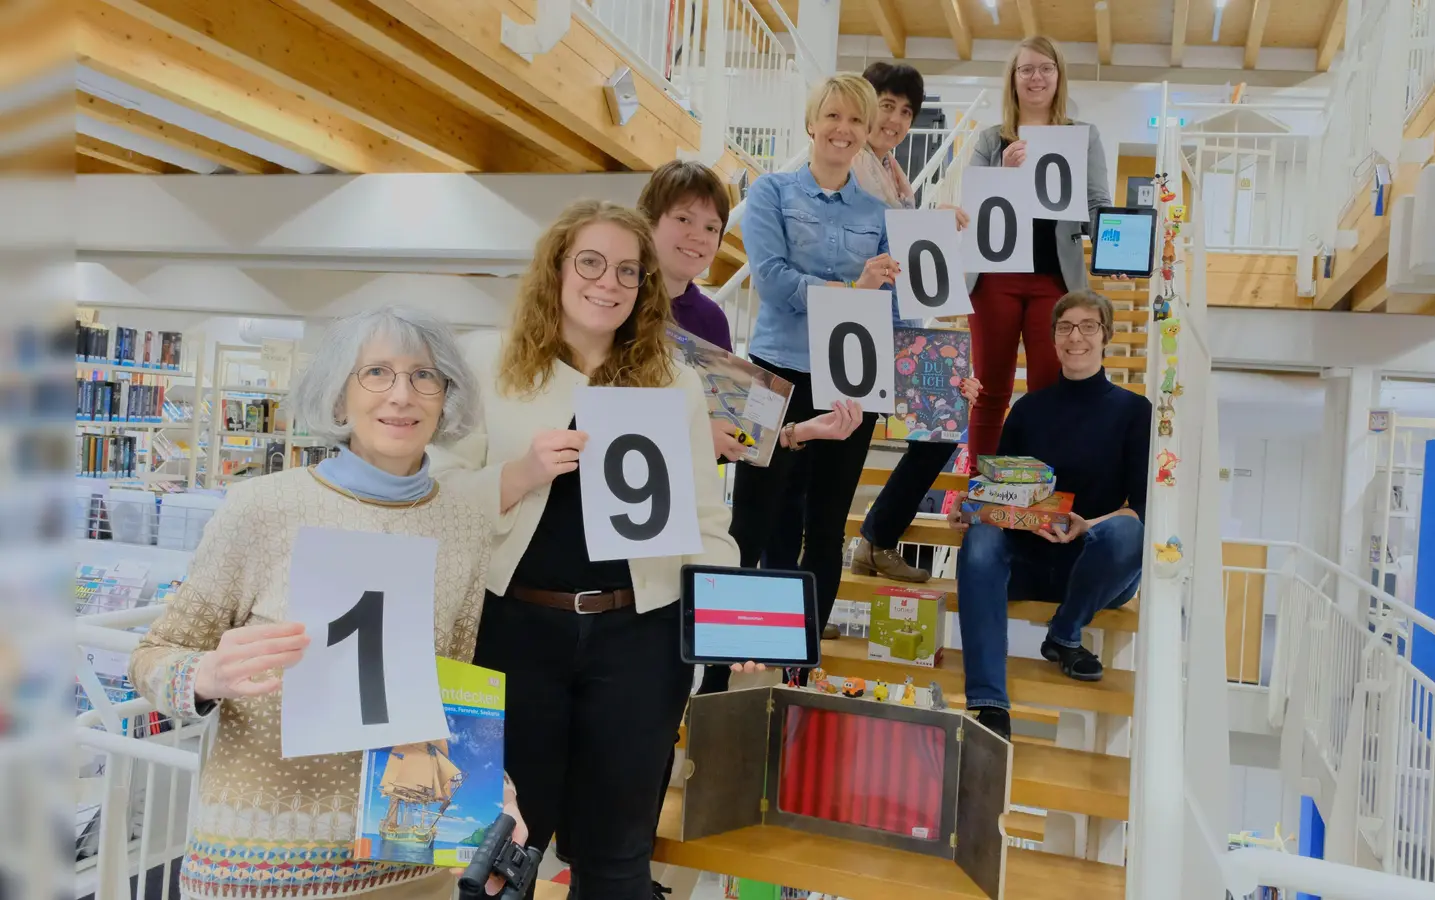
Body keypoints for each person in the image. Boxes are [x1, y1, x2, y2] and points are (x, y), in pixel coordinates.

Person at [128, 307, 514, 900]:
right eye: (376, 372)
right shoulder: (262, 508)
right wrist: (205, 675)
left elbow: (451, 689)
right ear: (338, 398)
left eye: (424, 376)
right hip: (259, 864)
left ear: (446, 399)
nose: (402, 394)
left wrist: (494, 792)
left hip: (409, 861)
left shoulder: (464, 528)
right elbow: (152, 656)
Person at [429, 200, 748, 899]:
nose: (609, 283)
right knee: (493, 854)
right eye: (592, 263)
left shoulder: (673, 379)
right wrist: (520, 473)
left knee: (617, 859)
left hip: (640, 638)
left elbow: (704, 518)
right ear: (556, 269)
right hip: (509, 634)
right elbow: (439, 495)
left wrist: (730, 618)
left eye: (629, 271)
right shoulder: (487, 361)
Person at [698, 73, 895, 695]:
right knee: (752, 522)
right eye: (833, 116)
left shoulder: (880, 215)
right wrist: (853, 290)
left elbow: (895, 306)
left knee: (827, 528)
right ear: (812, 123)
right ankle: (717, 675)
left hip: (850, 383)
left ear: (867, 133)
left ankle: (796, 669)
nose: (843, 129)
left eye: (856, 120)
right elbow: (774, 280)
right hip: (772, 374)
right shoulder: (771, 192)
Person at [948, 292, 1151, 742]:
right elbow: (1000, 490)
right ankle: (988, 703)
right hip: (1028, 563)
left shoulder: (1135, 412)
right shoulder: (1028, 410)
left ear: (1106, 336)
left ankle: (1064, 634)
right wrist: (971, 508)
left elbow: (1141, 506)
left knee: (1129, 531)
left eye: (1088, 326)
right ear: (1054, 339)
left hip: (1095, 570)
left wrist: (1089, 525)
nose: (1076, 337)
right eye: (1065, 327)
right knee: (980, 538)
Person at [846, 61, 983, 584]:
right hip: (862, 326)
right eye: (887, 106)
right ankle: (863, 546)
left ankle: (876, 539)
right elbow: (872, 236)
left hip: (897, 325)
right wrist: (927, 221)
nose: (896, 120)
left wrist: (930, 221)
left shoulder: (892, 170)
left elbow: (903, 246)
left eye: (906, 112)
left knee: (943, 427)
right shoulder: (854, 163)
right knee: (846, 449)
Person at [641, 158, 860, 472]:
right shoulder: (615, 301)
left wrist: (802, 431)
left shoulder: (710, 320)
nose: (698, 236)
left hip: (680, 490)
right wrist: (692, 435)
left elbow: (730, 434)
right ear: (648, 222)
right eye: (683, 219)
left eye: (711, 227)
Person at [963, 35, 1112, 460]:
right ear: (1013, 78)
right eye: (1026, 69)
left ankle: (1042, 488)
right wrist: (1003, 171)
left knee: (1050, 389)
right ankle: (982, 488)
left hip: (1055, 279)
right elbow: (973, 206)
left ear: (1059, 76)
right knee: (990, 391)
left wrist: (1113, 252)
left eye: (1046, 68)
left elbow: (1097, 203)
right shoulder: (991, 139)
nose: (1036, 77)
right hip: (993, 277)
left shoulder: (1083, 136)